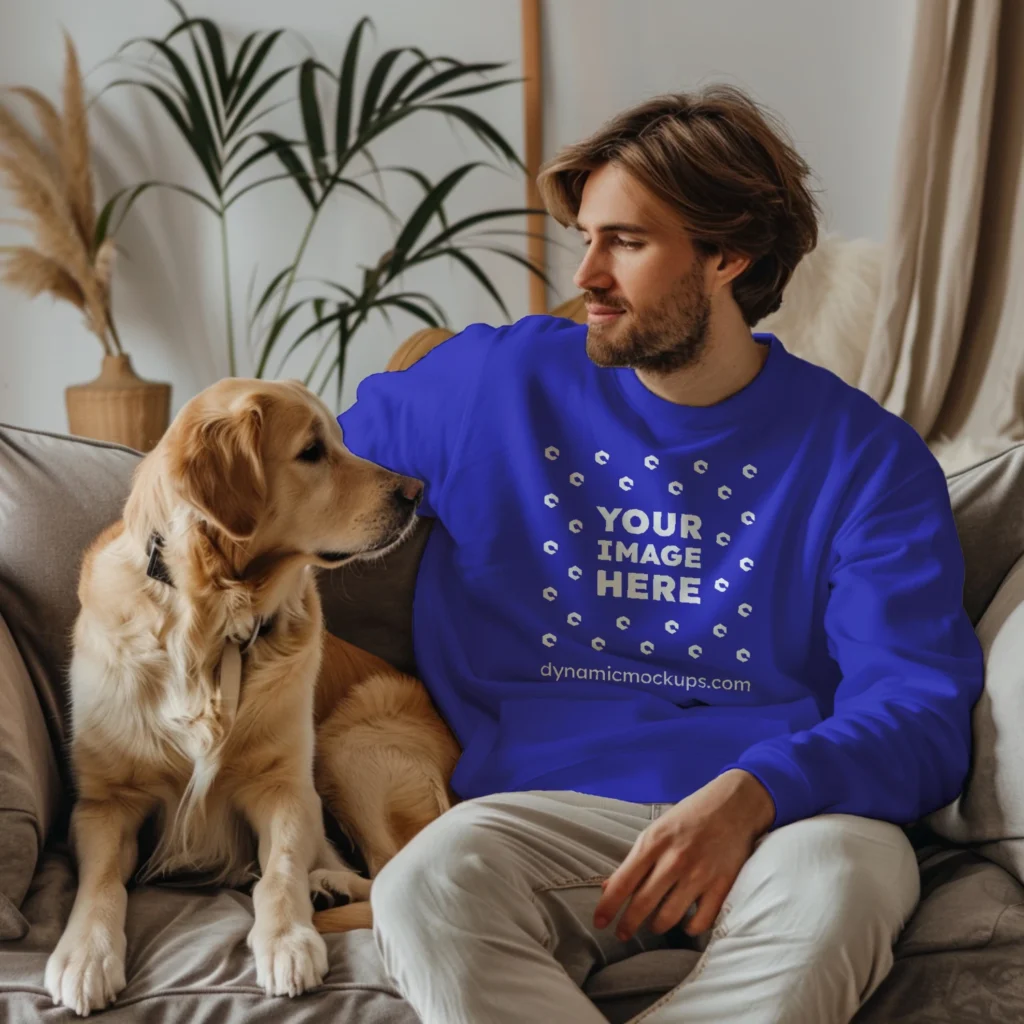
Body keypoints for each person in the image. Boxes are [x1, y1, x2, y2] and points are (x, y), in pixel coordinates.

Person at [336, 85, 984, 1024]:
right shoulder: (491, 384)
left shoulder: (865, 458)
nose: (587, 275)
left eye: (627, 244)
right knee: (426, 883)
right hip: (547, 813)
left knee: (845, 877)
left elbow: (921, 716)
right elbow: (289, 475)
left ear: (729, 255)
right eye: (587, 238)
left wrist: (761, 790)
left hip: (787, 820)